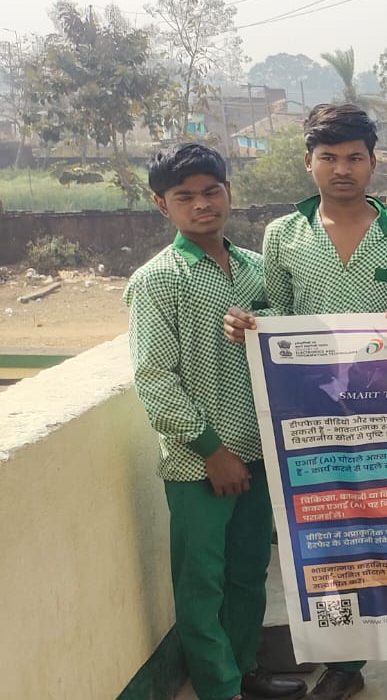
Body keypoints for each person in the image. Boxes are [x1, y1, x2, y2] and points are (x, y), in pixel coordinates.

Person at [221, 104, 387, 700]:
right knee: (334, 541)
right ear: (309, 163)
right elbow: (277, 316)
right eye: (329, 157)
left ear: (373, 162)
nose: (342, 168)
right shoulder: (284, 236)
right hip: (318, 421)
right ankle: (344, 666)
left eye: (355, 157)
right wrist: (250, 324)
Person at [127, 143, 307, 700]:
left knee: (248, 572)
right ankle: (219, 687)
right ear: (162, 205)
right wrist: (212, 450)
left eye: (211, 191)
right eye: (185, 197)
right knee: (201, 582)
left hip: (258, 451)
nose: (202, 204)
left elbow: (287, 330)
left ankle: (246, 668)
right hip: (198, 463)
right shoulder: (159, 280)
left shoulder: (256, 268)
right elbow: (154, 378)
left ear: (229, 192)